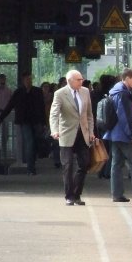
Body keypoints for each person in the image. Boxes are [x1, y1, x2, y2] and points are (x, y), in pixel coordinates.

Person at [49, 70, 94, 206]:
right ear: (70, 81)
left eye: (82, 79)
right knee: (68, 165)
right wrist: (54, 130)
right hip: (66, 134)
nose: (82, 82)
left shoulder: (85, 92)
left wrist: (91, 131)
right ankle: (69, 196)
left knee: (84, 163)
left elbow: (89, 114)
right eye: (78, 80)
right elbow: (54, 114)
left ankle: (77, 193)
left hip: (83, 134)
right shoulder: (60, 94)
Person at [103, 68, 132, 202]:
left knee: (116, 164)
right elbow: (126, 116)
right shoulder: (123, 94)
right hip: (124, 134)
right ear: (126, 78)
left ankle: (117, 194)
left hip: (114, 133)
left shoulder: (114, 91)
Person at [0, 72, 46, 176]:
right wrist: (0, 118)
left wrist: (44, 122)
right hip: (24, 121)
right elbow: (10, 105)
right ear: (23, 80)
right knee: (30, 142)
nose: (29, 81)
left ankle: (32, 163)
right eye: (27, 79)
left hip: (36, 120)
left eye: (30, 79)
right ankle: (31, 168)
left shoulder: (37, 91)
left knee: (35, 142)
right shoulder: (18, 92)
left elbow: (42, 107)